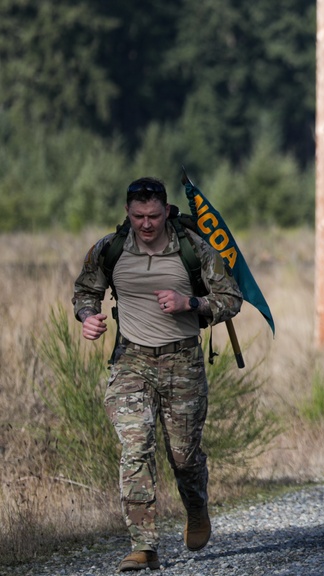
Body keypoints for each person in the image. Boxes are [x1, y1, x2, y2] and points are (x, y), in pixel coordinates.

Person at [73, 177, 243, 571]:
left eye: (152, 216)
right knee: (135, 449)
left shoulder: (194, 248)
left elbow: (230, 299)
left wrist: (191, 302)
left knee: (183, 457)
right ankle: (144, 545)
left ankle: (196, 507)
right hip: (131, 361)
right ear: (128, 213)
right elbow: (85, 292)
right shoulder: (109, 249)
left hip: (183, 362)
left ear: (166, 211)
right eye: (138, 216)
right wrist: (87, 317)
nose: (146, 224)